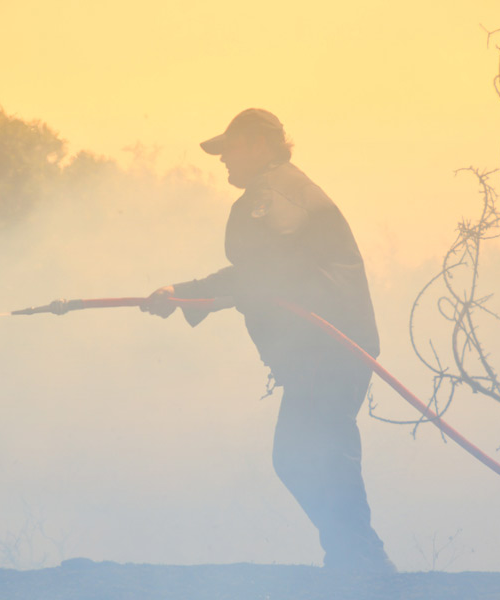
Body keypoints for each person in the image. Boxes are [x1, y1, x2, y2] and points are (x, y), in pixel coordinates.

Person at [142, 108, 394, 573]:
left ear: (261, 144)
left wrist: (187, 293)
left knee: (312, 453)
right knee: (307, 454)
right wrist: (187, 295)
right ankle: (355, 556)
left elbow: (267, 268)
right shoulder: (284, 188)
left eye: (230, 148)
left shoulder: (273, 194)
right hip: (327, 347)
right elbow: (264, 272)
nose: (223, 160)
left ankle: (361, 560)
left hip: (327, 346)